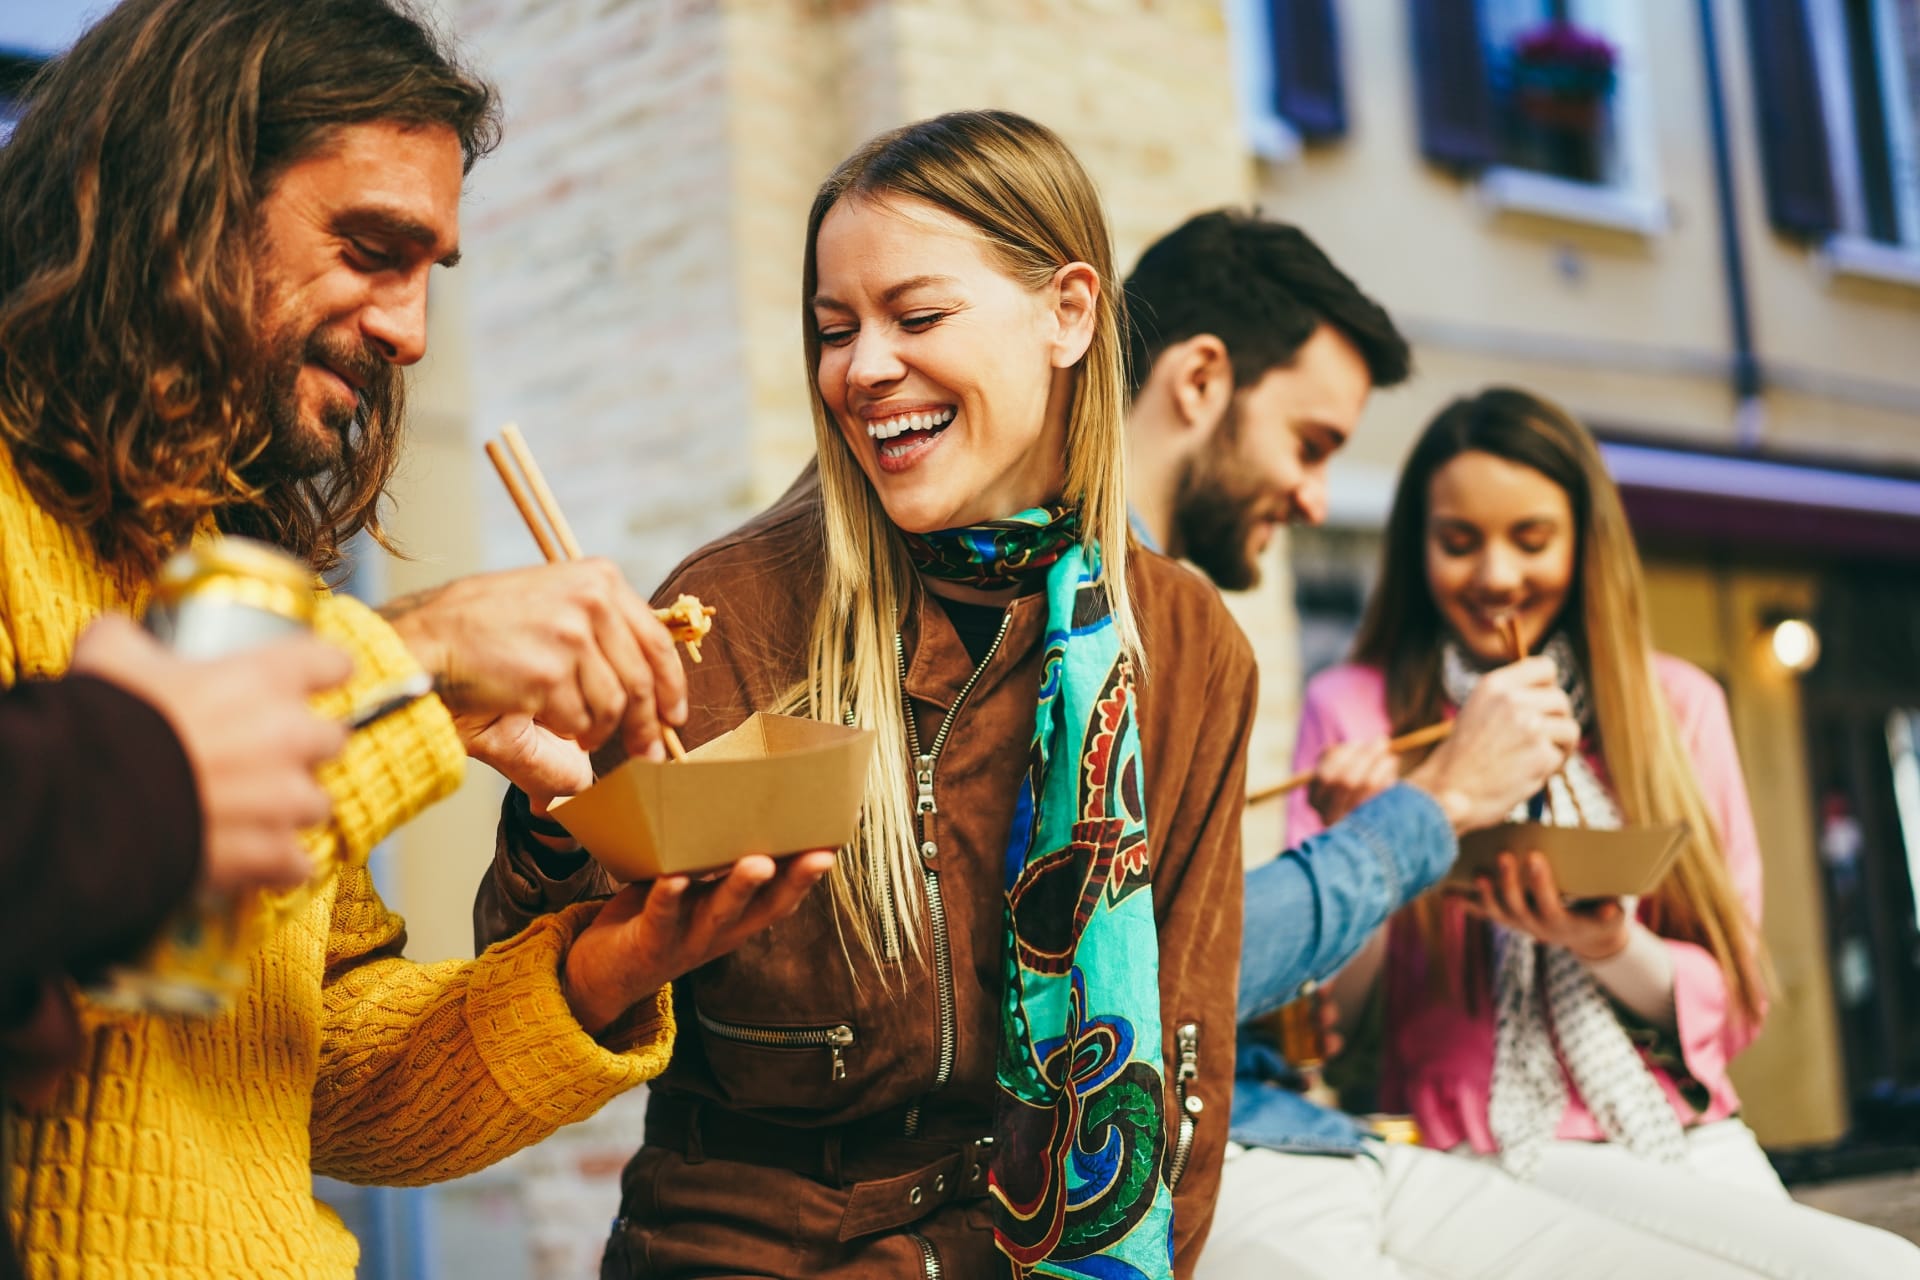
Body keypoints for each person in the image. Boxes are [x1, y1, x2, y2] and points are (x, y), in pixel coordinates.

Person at [0, 2, 831, 1276]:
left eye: (429, 269)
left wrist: (601, 968)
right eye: (371, 248)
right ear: (179, 197)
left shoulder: (223, 566)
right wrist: (413, 655)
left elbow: (315, 1068)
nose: (410, 332)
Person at [476, 110, 1256, 1277]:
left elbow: (1184, 1074)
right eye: (834, 329)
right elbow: (526, 1007)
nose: (863, 367)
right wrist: (555, 813)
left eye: (917, 316)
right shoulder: (732, 610)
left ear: (1068, 312)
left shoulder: (1189, 645)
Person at [1271, 387, 1920, 1277]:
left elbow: (1736, 1001)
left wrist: (1608, 941)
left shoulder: (1676, 705)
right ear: (1415, 548)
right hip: (1472, 1147)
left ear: (1585, 543)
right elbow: (1323, 1023)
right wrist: (1374, 849)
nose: (1497, 575)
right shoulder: (1355, 713)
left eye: (1531, 539)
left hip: (1678, 1128)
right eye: (1458, 542)